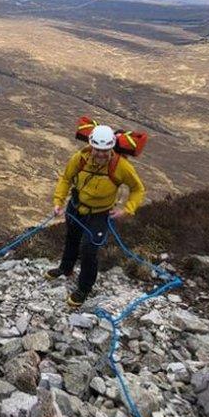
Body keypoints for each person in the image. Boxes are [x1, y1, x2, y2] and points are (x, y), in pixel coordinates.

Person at [46, 125, 145, 307]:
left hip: (100, 214)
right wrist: (58, 201)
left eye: (105, 151)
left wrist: (127, 209)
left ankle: (84, 288)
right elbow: (66, 178)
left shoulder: (121, 167)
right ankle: (65, 269)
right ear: (91, 146)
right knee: (72, 238)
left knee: (89, 250)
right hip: (76, 207)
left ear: (111, 149)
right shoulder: (81, 158)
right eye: (97, 150)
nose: (100, 154)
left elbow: (138, 189)